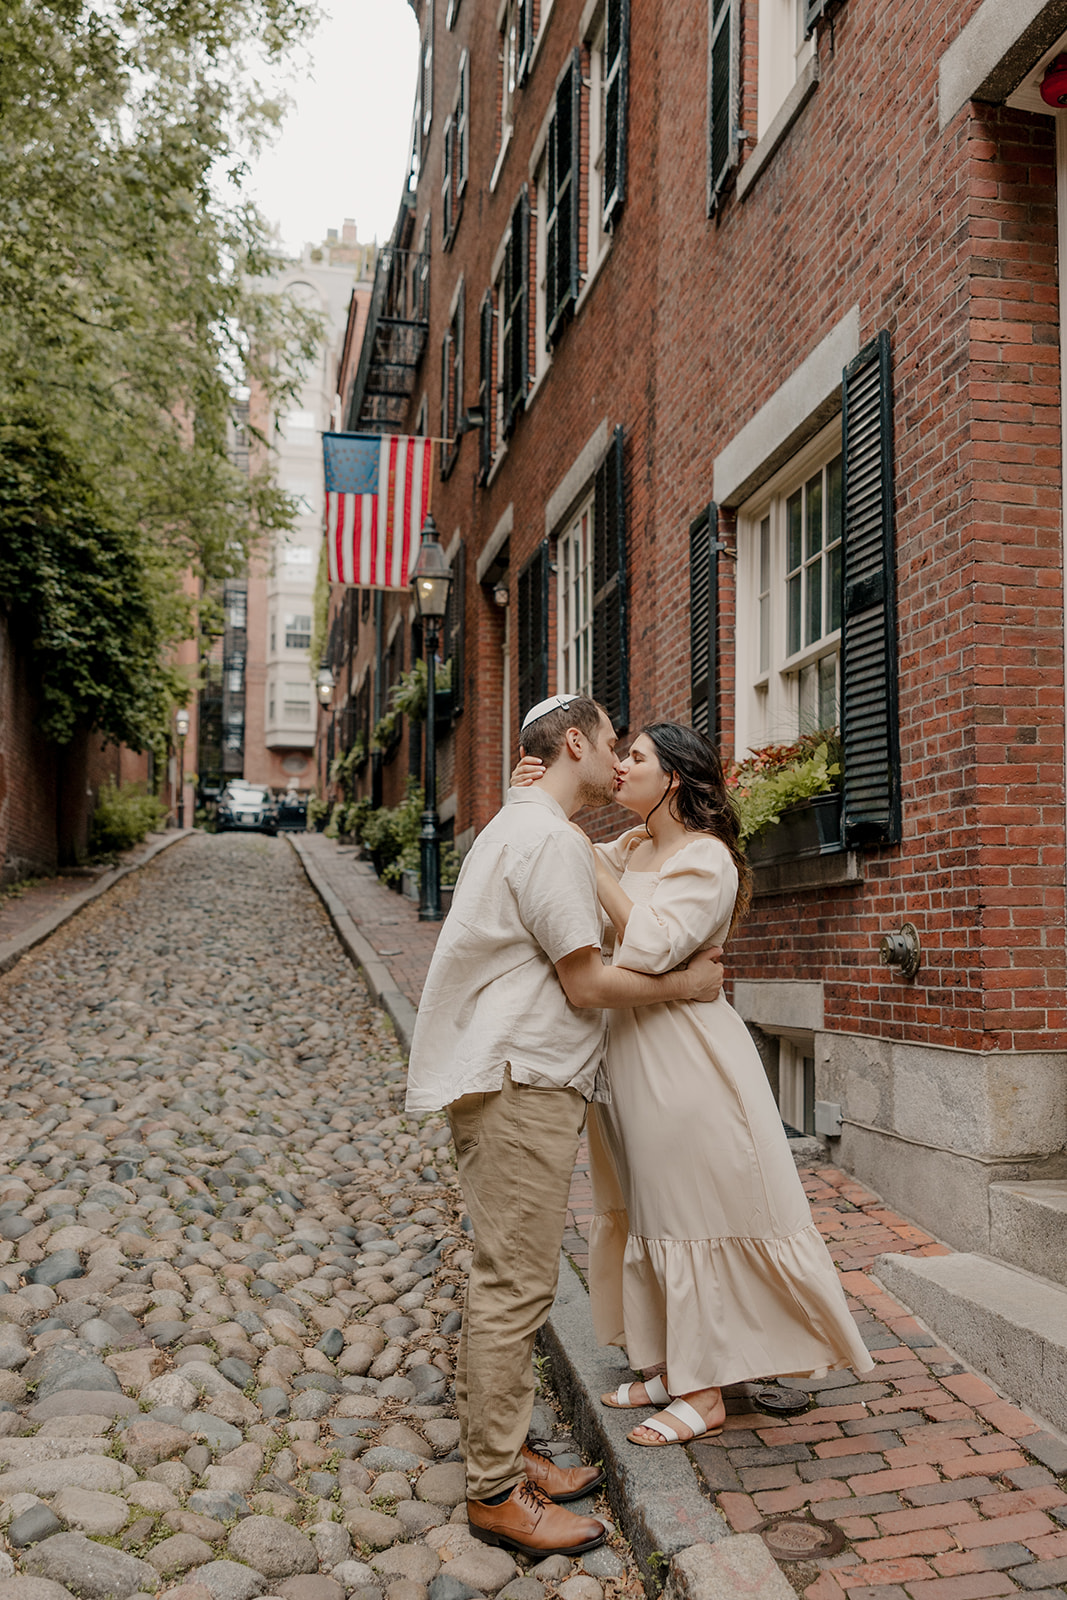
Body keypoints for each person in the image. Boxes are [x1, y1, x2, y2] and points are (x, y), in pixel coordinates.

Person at [406, 695, 726, 1556]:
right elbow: (586, 984)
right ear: (575, 743)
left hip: (513, 1077)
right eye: (611, 743)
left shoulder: (525, 827)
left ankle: (506, 1456)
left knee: (511, 1281)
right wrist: (683, 989)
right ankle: (495, 1492)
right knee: (511, 1289)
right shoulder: (544, 838)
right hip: (521, 1080)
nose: (618, 759)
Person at [512, 720, 873, 1450]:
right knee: (646, 1208)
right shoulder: (635, 845)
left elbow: (649, 944)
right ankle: (675, 1366)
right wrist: (535, 801)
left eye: (636, 758)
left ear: (672, 776)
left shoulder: (706, 859)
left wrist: (591, 860)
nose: (620, 767)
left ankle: (704, 1395)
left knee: (687, 1214)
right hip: (631, 1055)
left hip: (686, 1063)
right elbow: (565, 878)